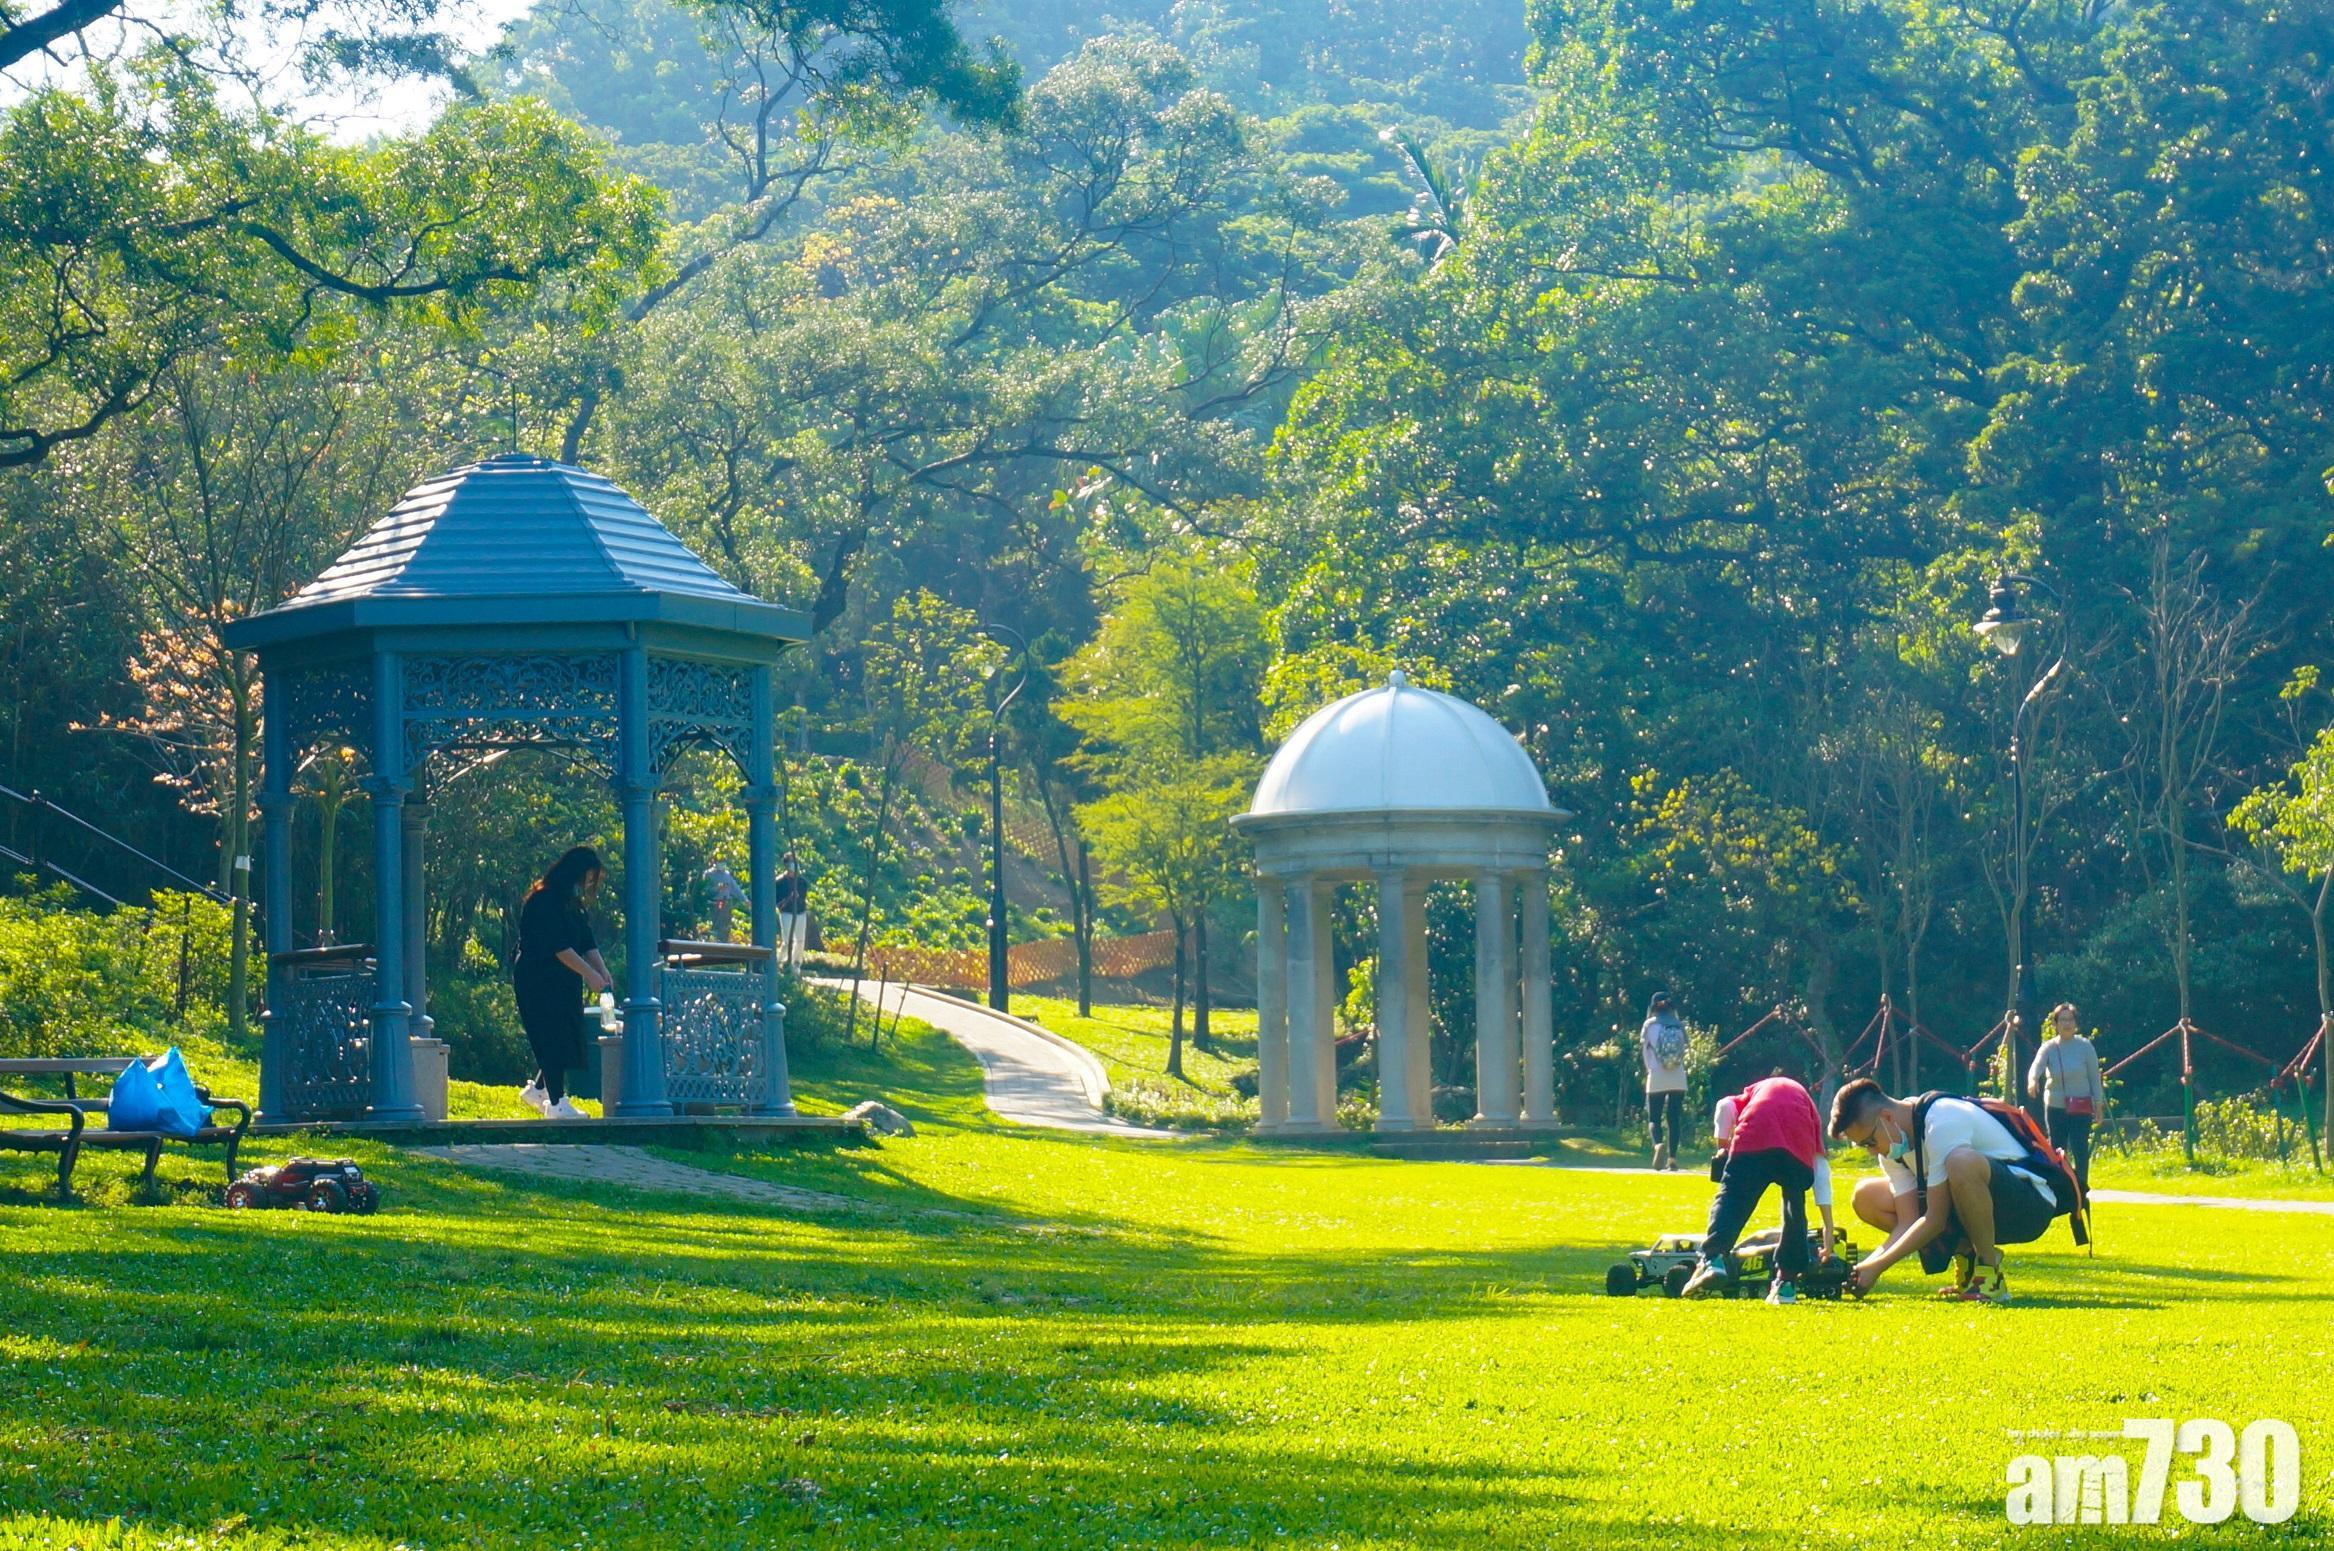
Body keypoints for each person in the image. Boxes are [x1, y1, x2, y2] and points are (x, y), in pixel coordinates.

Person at [1830, 1077, 2061, 1303]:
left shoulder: (1941, 1120)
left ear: (1887, 1117)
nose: (1871, 1152)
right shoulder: (1892, 1147)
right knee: (1866, 1197)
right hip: (1971, 1209)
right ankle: (1967, 1258)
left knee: (1961, 1161)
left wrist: (1878, 1268)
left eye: (1869, 1142)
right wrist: (1867, 1267)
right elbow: (1907, 1222)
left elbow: (1935, 1219)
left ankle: (1989, 1273)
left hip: (2029, 1206)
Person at [1681, 1076, 1837, 1304]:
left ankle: (1713, 1260)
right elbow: (1821, 1172)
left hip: (1755, 1134)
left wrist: (1723, 1146)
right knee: (1794, 1210)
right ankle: (1786, 1284)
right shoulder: (1808, 1106)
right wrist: (1828, 1228)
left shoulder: (1749, 1094)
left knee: (1734, 1196)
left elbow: (1724, 1106)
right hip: (1797, 1145)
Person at [513, 846, 612, 1120]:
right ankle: (556, 1103)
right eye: (588, 878)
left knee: (566, 1033)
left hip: (563, 979)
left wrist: (602, 971)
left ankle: (539, 1090)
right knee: (550, 1034)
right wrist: (589, 975)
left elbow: (585, 941)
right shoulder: (543, 900)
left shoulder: (571, 903)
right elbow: (559, 947)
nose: (589, 885)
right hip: (538, 977)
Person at [2026, 1002, 2103, 1193]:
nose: (2066, 1024)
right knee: (2057, 1149)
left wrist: (2098, 1105)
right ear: (2055, 1024)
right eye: (2062, 1020)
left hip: (2081, 1105)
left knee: (2080, 1147)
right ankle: (2060, 1187)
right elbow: (2036, 1066)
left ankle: (2081, 1187)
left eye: (2070, 1019)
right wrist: (2033, 1080)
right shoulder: (2049, 1047)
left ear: (2076, 1023)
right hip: (2055, 1105)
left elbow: (2095, 1077)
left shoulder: (2085, 1047)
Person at [1640, 991, 1690, 1171]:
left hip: (1657, 1075)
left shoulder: (1649, 1025)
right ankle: (1672, 1159)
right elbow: (1684, 1051)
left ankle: (1658, 1145)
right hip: (1678, 1076)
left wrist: (1650, 1070)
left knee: (1654, 1117)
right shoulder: (1678, 1026)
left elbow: (1645, 1052)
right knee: (1674, 1118)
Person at [776, 851, 811, 968]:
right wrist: (789, 899)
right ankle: (780, 962)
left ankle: (796, 964)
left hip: (800, 913)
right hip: (786, 913)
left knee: (800, 941)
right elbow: (777, 902)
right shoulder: (780, 882)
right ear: (786, 865)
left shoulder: (802, 882)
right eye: (792, 862)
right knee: (787, 941)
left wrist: (798, 899)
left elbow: (803, 898)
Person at [702, 860, 746, 943]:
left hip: (726, 903)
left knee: (726, 926)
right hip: (714, 904)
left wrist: (745, 900)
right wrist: (717, 888)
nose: (721, 864)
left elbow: (735, 889)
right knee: (716, 925)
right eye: (719, 862)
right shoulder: (708, 874)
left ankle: (724, 942)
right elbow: (705, 891)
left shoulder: (727, 875)